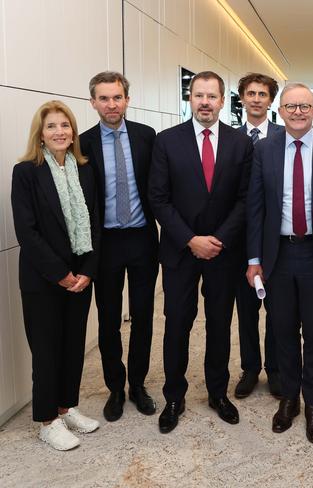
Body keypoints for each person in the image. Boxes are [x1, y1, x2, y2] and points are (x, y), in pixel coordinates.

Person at [246, 82, 313, 443]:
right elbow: (256, 208)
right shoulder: (264, 149)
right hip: (277, 255)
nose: (297, 112)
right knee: (283, 332)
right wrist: (254, 259)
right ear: (281, 111)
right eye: (291, 106)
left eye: (304, 106)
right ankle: (289, 399)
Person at [149, 71, 253, 433]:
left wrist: (218, 239)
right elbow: (158, 199)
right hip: (180, 251)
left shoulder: (241, 144)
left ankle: (217, 393)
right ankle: (174, 397)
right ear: (189, 99)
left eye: (212, 96)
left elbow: (245, 200)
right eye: (198, 96)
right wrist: (190, 239)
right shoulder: (167, 142)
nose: (205, 102)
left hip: (224, 253)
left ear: (223, 101)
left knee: (220, 325)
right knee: (177, 324)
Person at [11, 100, 101, 450]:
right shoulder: (27, 172)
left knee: (73, 347)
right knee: (46, 350)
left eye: (65, 126)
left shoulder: (84, 169)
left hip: (80, 276)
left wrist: (87, 272)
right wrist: (62, 274)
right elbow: (27, 232)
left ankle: (66, 408)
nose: (60, 132)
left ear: (73, 132)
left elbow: (94, 222)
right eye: (52, 126)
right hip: (43, 279)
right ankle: (47, 421)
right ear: (41, 134)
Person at [80, 71, 159, 422]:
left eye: (117, 97)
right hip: (106, 243)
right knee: (109, 320)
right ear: (93, 102)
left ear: (127, 99)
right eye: (104, 98)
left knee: (143, 317)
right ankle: (115, 387)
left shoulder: (146, 137)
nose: (111, 104)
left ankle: (138, 385)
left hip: (142, 239)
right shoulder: (81, 143)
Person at [233, 72, 283, 399]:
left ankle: (276, 370)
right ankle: (250, 368)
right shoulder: (231, 138)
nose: (255, 99)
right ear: (241, 98)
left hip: (277, 241)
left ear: (270, 99)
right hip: (238, 240)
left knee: (278, 311)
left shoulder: (283, 136)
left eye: (262, 94)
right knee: (247, 311)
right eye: (250, 93)